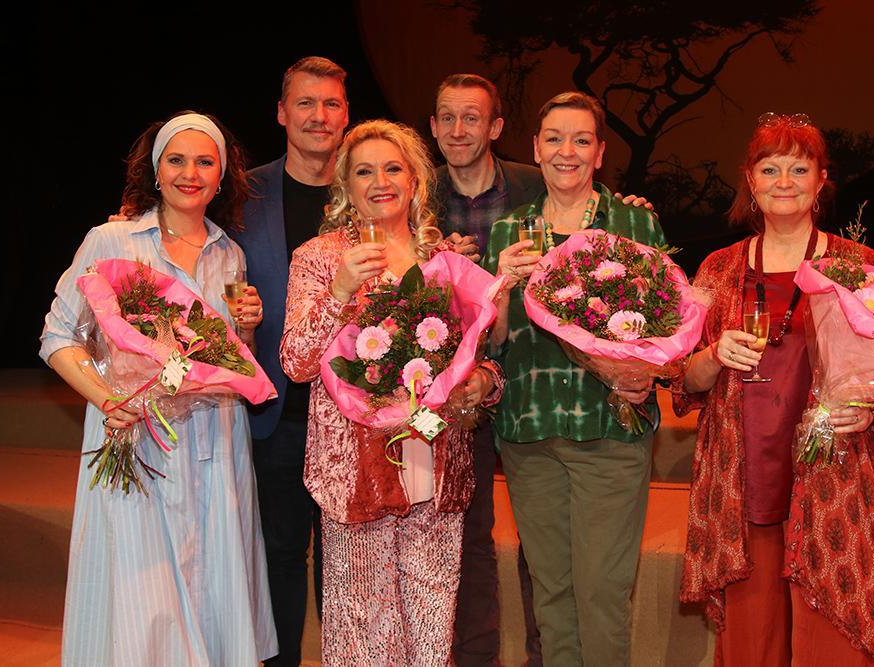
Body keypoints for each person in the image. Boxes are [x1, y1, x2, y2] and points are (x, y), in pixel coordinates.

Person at [674, 112, 874, 666]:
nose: (784, 181)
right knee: (752, 642)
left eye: (799, 169)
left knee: (829, 641)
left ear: (821, 180)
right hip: (743, 483)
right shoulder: (718, 269)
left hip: (838, 481)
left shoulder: (858, 265)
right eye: (770, 169)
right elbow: (682, 381)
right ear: (750, 180)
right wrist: (712, 355)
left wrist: (872, 411)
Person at [40, 112, 275, 665]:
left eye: (204, 162)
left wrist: (247, 329)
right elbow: (58, 336)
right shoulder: (111, 240)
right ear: (155, 169)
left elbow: (230, 363)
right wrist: (108, 398)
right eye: (177, 160)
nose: (190, 173)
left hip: (216, 443)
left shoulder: (229, 253)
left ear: (222, 176)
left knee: (213, 583)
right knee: (141, 595)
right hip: (138, 437)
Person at [280, 119, 504, 666]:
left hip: (436, 463)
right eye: (364, 171)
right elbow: (296, 363)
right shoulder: (319, 257)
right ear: (345, 185)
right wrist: (340, 290)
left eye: (392, 168)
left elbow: (474, 357)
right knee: (362, 634)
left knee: (431, 631)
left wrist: (484, 383)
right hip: (356, 474)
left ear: (415, 180)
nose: (379, 182)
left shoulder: (443, 258)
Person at [482, 92, 664, 667]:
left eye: (581, 140)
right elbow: (490, 343)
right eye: (555, 139)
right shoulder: (508, 230)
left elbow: (669, 321)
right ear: (535, 149)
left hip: (609, 427)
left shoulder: (634, 222)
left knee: (602, 594)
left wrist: (644, 372)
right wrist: (500, 288)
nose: (567, 151)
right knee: (552, 595)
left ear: (599, 153)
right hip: (529, 431)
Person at [229, 55, 349, 667]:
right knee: (278, 554)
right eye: (305, 102)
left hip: (353, 415)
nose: (318, 116)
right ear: (281, 113)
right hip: (275, 411)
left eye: (331, 103)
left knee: (345, 562)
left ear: (346, 114)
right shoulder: (242, 194)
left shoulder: (369, 186)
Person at [430, 72, 543, 667]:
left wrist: (628, 204)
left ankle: (545, 656)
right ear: (432, 127)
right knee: (468, 537)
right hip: (458, 392)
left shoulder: (534, 186)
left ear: (496, 127)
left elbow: (591, 213)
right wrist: (435, 264)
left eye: (471, 117)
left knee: (540, 540)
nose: (458, 130)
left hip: (527, 382)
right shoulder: (415, 195)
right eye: (447, 117)